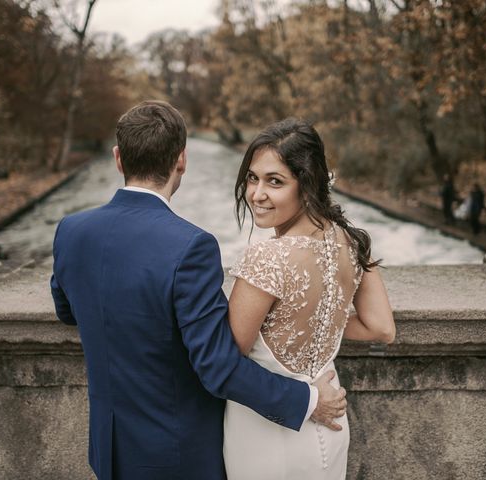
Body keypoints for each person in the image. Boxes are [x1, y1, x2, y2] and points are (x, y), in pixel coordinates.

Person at [50, 102, 346, 480]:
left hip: (108, 447)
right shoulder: (191, 246)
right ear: (182, 160)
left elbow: (67, 309)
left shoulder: (71, 231)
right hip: (177, 456)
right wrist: (308, 401)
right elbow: (219, 367)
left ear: (118, 158)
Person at [223, 118, 395, 479]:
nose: (256, 193)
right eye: (252, 178)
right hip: (330, 424)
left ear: (308, 185)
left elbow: (226, 360)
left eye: (275, 181)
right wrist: (319, 314)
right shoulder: (352, 242)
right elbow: (381, 329)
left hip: (266, 431)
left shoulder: (267, 258)